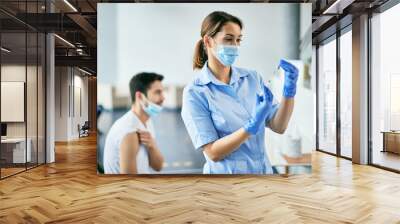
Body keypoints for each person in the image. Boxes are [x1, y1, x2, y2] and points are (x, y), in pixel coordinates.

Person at [181, 11, 299, 174]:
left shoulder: (252, 78)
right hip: (227, 182)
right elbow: (213, 153)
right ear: (208, 41)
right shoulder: (195, 92)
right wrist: (251, 127)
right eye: (228, 39)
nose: (235, 46)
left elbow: (279, 126)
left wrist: (289, 92)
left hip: (263, 173)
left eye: (238, 40)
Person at [103, 72, 165, 174]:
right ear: (140, 96)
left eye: (162, 92)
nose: (163, 98)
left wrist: (152, 146)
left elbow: (158, 166)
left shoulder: (147, 121)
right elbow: (130, 185)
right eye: (157, 92)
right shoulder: (129, 132)